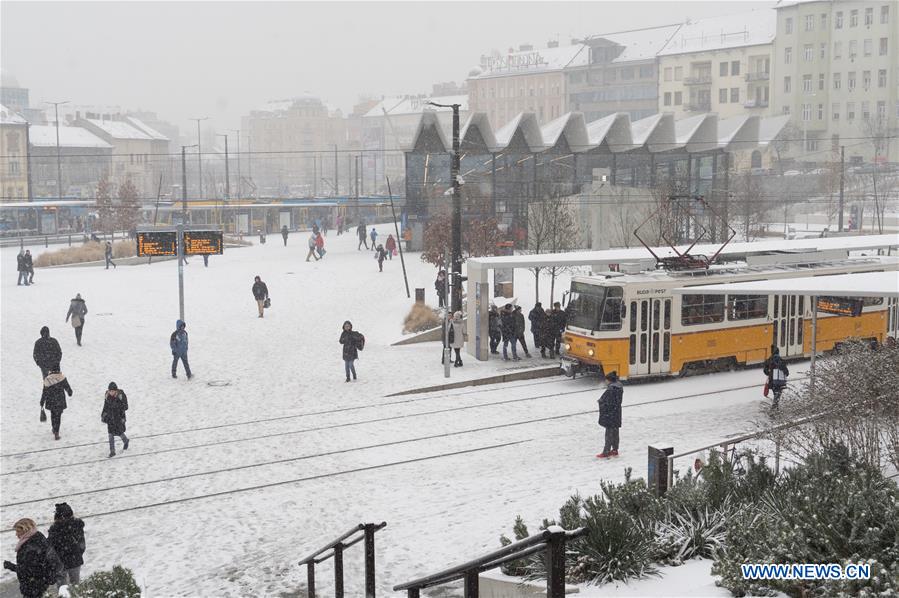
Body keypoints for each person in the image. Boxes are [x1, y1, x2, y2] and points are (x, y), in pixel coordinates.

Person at [3, 518, 65, 598]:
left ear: (25, 530)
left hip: (34, 586)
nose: (16, 534)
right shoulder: (37, 538)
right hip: (39, 584)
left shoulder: (31, 546)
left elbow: (29, 570)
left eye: (18, 531)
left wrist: (11, 566)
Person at [47, 503, 85, 587]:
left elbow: (50, 547)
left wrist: (54, 560)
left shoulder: (54, 529)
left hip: (60, 562)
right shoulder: (77, 525)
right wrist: (77, 553)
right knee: (76, 585)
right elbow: (82, 545)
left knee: (62, 587)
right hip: (75, 559)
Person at [596, 371, 623, 458]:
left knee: (609, 433)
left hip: (610, 414)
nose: (605, 381)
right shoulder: (619, 387)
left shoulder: (611, 389)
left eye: (606, 380)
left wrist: (600, 402)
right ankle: (615, 449)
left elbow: (605, 401)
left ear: (609, 380)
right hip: (617, 413)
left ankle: (606, 452)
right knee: (615, 432)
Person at [41, 367, 73, 441]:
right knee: (58, 416)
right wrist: (69, 392)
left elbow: (44, 392)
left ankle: (54, 428)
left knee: (53, 415)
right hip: (59, 400)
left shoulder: (48, 379)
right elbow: (68, 389)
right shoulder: (62, 378)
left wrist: (42, 401)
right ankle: (56, 432)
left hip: (51, 401)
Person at [101, 382, 129, 457]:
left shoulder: (121, 396)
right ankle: (112, 451)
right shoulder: (107, 396)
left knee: (119, 432)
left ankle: (126, 441)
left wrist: (117, 406)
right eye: (110, 391)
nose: (111, 392)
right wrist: (103, 415)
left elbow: (126, 406)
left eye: (113, 391)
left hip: (118, 417)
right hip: (110, 418)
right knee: (110, 434)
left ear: (116, 391)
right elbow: (105, 407)